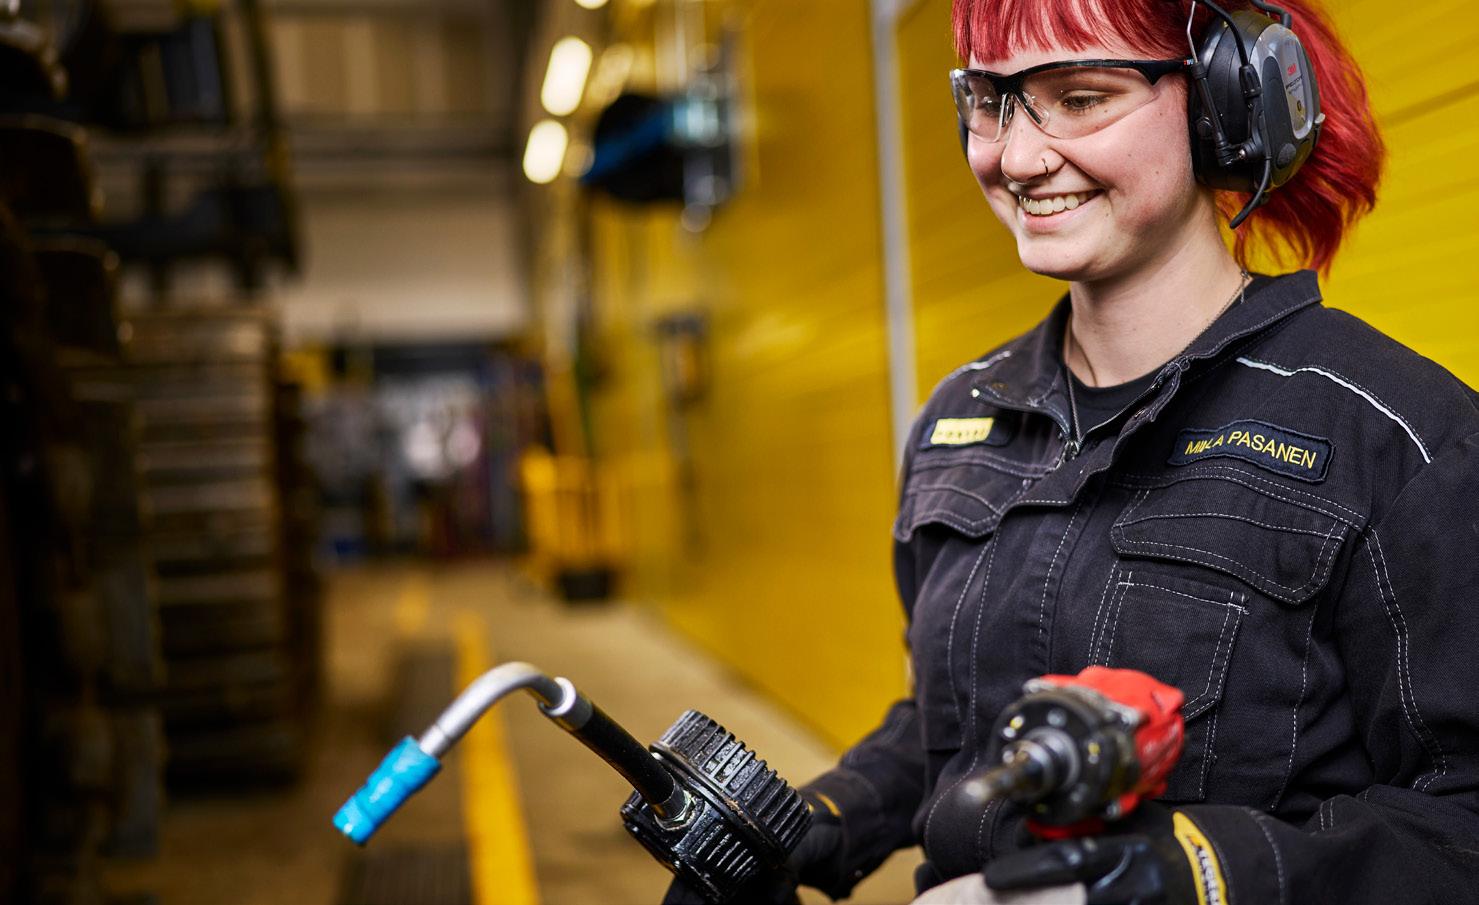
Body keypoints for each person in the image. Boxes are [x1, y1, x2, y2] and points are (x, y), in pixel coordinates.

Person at [662, 0, 1479, 902]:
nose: (1015, 158)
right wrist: (814, 821)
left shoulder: (1397, 438)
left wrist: (1195, 872)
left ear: (1225, 105)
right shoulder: (958, 419)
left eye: (1081, 98)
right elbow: (950, 723)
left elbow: (1461, 820)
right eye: (990, 100)